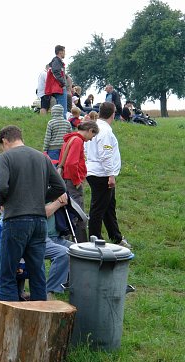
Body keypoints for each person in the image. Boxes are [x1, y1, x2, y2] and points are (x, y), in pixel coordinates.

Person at [0, 125, 66, 303]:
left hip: (16, 219)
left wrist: (3, 201)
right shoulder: (42, 157)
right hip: (39, 221)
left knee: (8, 272)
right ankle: (40, 313)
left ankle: (11, 314)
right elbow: (60, 187)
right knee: (37, 272)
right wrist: (40, 198)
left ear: (4, 141)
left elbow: (1, 186)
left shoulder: (6, 157)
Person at [85, 102, 131, 248]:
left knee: (109, 206)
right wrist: (111, 175)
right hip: (102, 174)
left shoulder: (93, 127)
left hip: (95, 171)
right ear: (113, 113)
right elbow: (105, 154)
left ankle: (116, 236)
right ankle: (94, 239)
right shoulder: (104, 131)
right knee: (98, 208)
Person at [57, 120, 100, 243]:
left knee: (68, 214)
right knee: (79, 215)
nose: (91, 139)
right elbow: (71, 163)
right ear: (90, 130)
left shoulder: (70, 139)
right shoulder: (78, 141)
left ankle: (65, 242)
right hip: (72, 182)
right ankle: (81, 245)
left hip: (65, 180)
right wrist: (77, 181)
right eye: (93, 136)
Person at [43, 194, 74, 298]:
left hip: (56, 237)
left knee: (78, 251)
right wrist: (58, 203)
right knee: (64, 253)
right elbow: (43, 213)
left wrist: (63, 195)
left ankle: (71, 284)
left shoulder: (53, 190)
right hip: (40, 238)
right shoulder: (35, 191)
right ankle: (50, 291)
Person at [45, 45, 67, 117]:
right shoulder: (57, 61)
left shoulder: (55, 61)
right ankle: (63, 124)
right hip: (59, 88)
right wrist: (63, 83)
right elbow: (56, 72)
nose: (65, 53)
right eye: (64, 51)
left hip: (57, 88)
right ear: (60, 52)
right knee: (63, 110)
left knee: (59, 111)